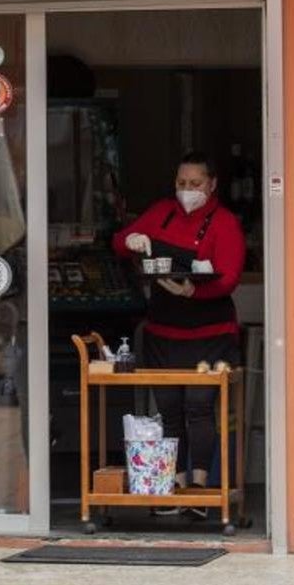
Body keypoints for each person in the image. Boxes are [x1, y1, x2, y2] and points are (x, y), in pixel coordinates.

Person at [111, 151, 245, 513]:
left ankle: (199, 491)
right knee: (168, 411)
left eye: (196, 184)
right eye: (182, 183)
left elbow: (229, 277)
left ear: (212, 184)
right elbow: (119, 242)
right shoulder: (162, 213)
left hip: (210, 333)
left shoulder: (224, 223)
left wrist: (193, 290)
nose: (188, 190)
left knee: (199, 409)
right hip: (163, 333)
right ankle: (174, 486)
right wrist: (133, 240)